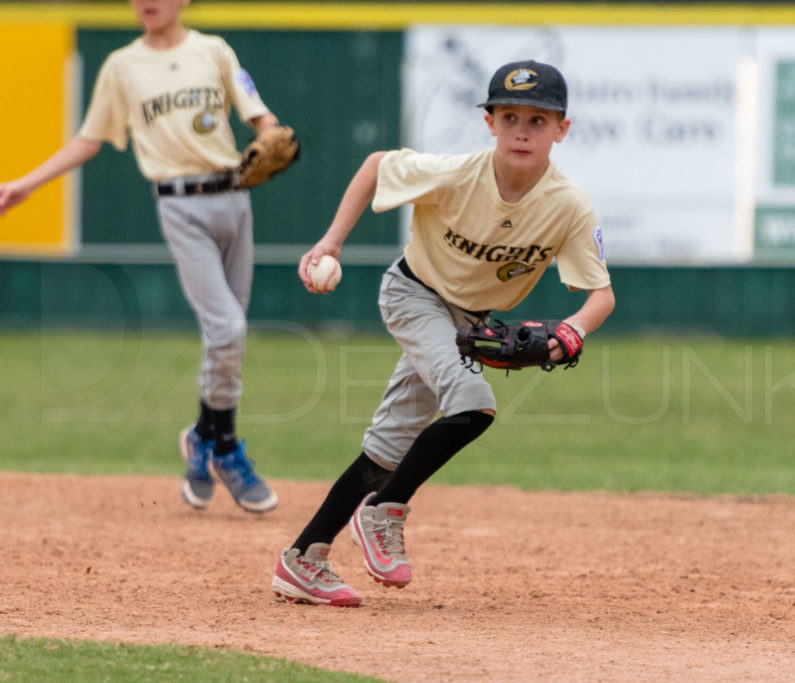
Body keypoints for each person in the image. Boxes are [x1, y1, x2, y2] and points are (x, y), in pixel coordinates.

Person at [270, 59, 615, 607]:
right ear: (489, 123)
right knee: (474, 405)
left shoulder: (567, 205)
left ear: (562, 129)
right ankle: (384, 510)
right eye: (509, 116)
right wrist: (332, 242)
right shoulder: (458, 174)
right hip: (414, 294)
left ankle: (303, 559)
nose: (522, 130)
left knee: (385, 451)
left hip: (469, 324)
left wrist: (569, 334)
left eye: (538, 119)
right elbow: (376, 165)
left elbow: (600, 296)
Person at [0, 0, 279, 512]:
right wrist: (27, 185)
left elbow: (259, 115)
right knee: (228, 330)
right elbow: (90, 139)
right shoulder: (122, 66)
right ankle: (227, 445)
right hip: (180, 205)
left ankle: (203, 437)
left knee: (228, 336)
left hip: (236, 197)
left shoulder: (213, 50)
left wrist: (275, 136)